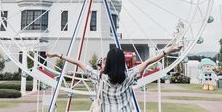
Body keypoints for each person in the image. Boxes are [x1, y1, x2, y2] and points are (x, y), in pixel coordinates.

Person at [47, 45, 182, 111]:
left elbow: (78, 63)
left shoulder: (99, 76)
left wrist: (58, 55)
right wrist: (167, 51)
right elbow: (147, 62)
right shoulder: (129, 76)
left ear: (109, 62)